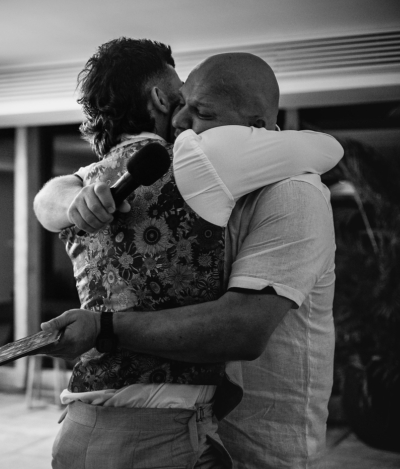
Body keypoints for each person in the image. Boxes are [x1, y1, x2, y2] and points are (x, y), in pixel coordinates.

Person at [34, 40, 341, 469]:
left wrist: (103, 327)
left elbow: (243, 330)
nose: (180, 120)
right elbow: (58, 192)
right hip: (199, 433)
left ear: (257, 127)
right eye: (182, 105)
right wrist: (70, 197)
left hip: (262, 444)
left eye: (203, 113)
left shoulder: (294, 194)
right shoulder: (194, 179)